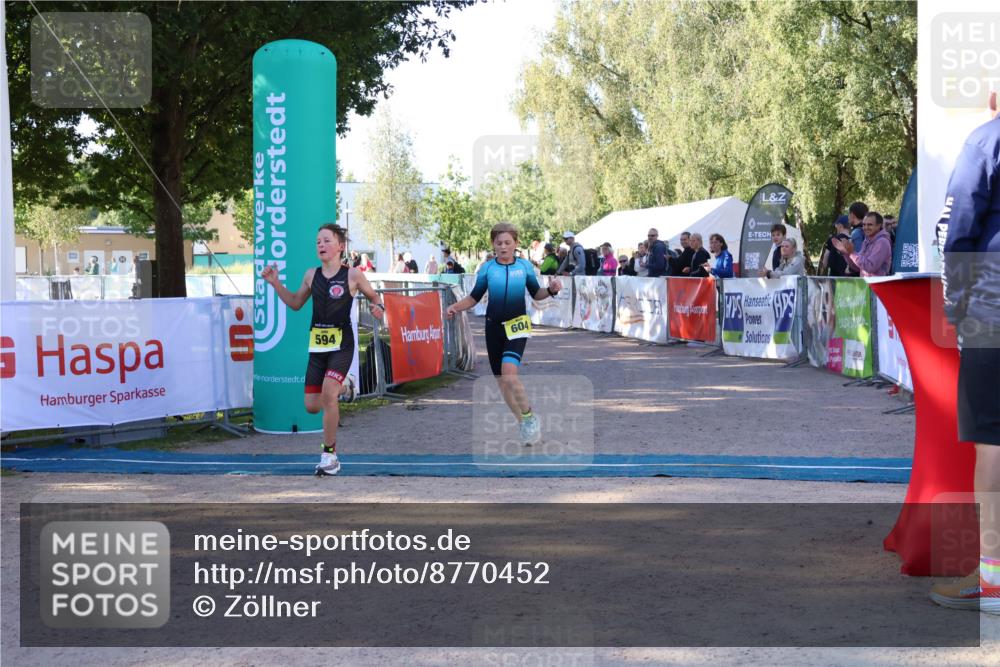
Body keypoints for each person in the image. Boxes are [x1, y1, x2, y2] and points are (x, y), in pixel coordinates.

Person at [930, 92, 1000, 614]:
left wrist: (955, 306)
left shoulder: (985, 139)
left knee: (993, 443)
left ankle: (995, 581)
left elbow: (956, 233)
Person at [261, 223, 386, 477]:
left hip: (342, 345)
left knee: (328, 394)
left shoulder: (353, 275)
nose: (321, 245)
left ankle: (329, 456)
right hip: (317, 347)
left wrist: (378, 308)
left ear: (340, 246)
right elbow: (296, 303)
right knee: (312, 406)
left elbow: (375, 297)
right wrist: (275, 283)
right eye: (318, 241)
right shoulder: (311, 275)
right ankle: (347, 386)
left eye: (327, 241)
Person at [446, 222, 563, 445]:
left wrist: (550, 290)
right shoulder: (488, 269)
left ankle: (530, 417)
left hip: (517, 325)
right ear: (493, 244)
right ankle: (523, 424)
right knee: (501, 381)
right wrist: (455, 307)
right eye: (499, 243)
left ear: (516, 244)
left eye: (508, 242)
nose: (503, 246)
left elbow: (536, 294)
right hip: (493, 327)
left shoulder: (525, 267)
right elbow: (474, 297)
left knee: (509, 374)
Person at [831, 211, 892, 277]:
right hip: (866, 285)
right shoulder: (866, 241)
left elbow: (870, 267)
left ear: (879, 225)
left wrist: (852, 253)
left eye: (869, 225)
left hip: (877, 286)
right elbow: (857, 267)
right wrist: (846, 253)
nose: (866, 227)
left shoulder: (882, 242)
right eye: (864, 224)